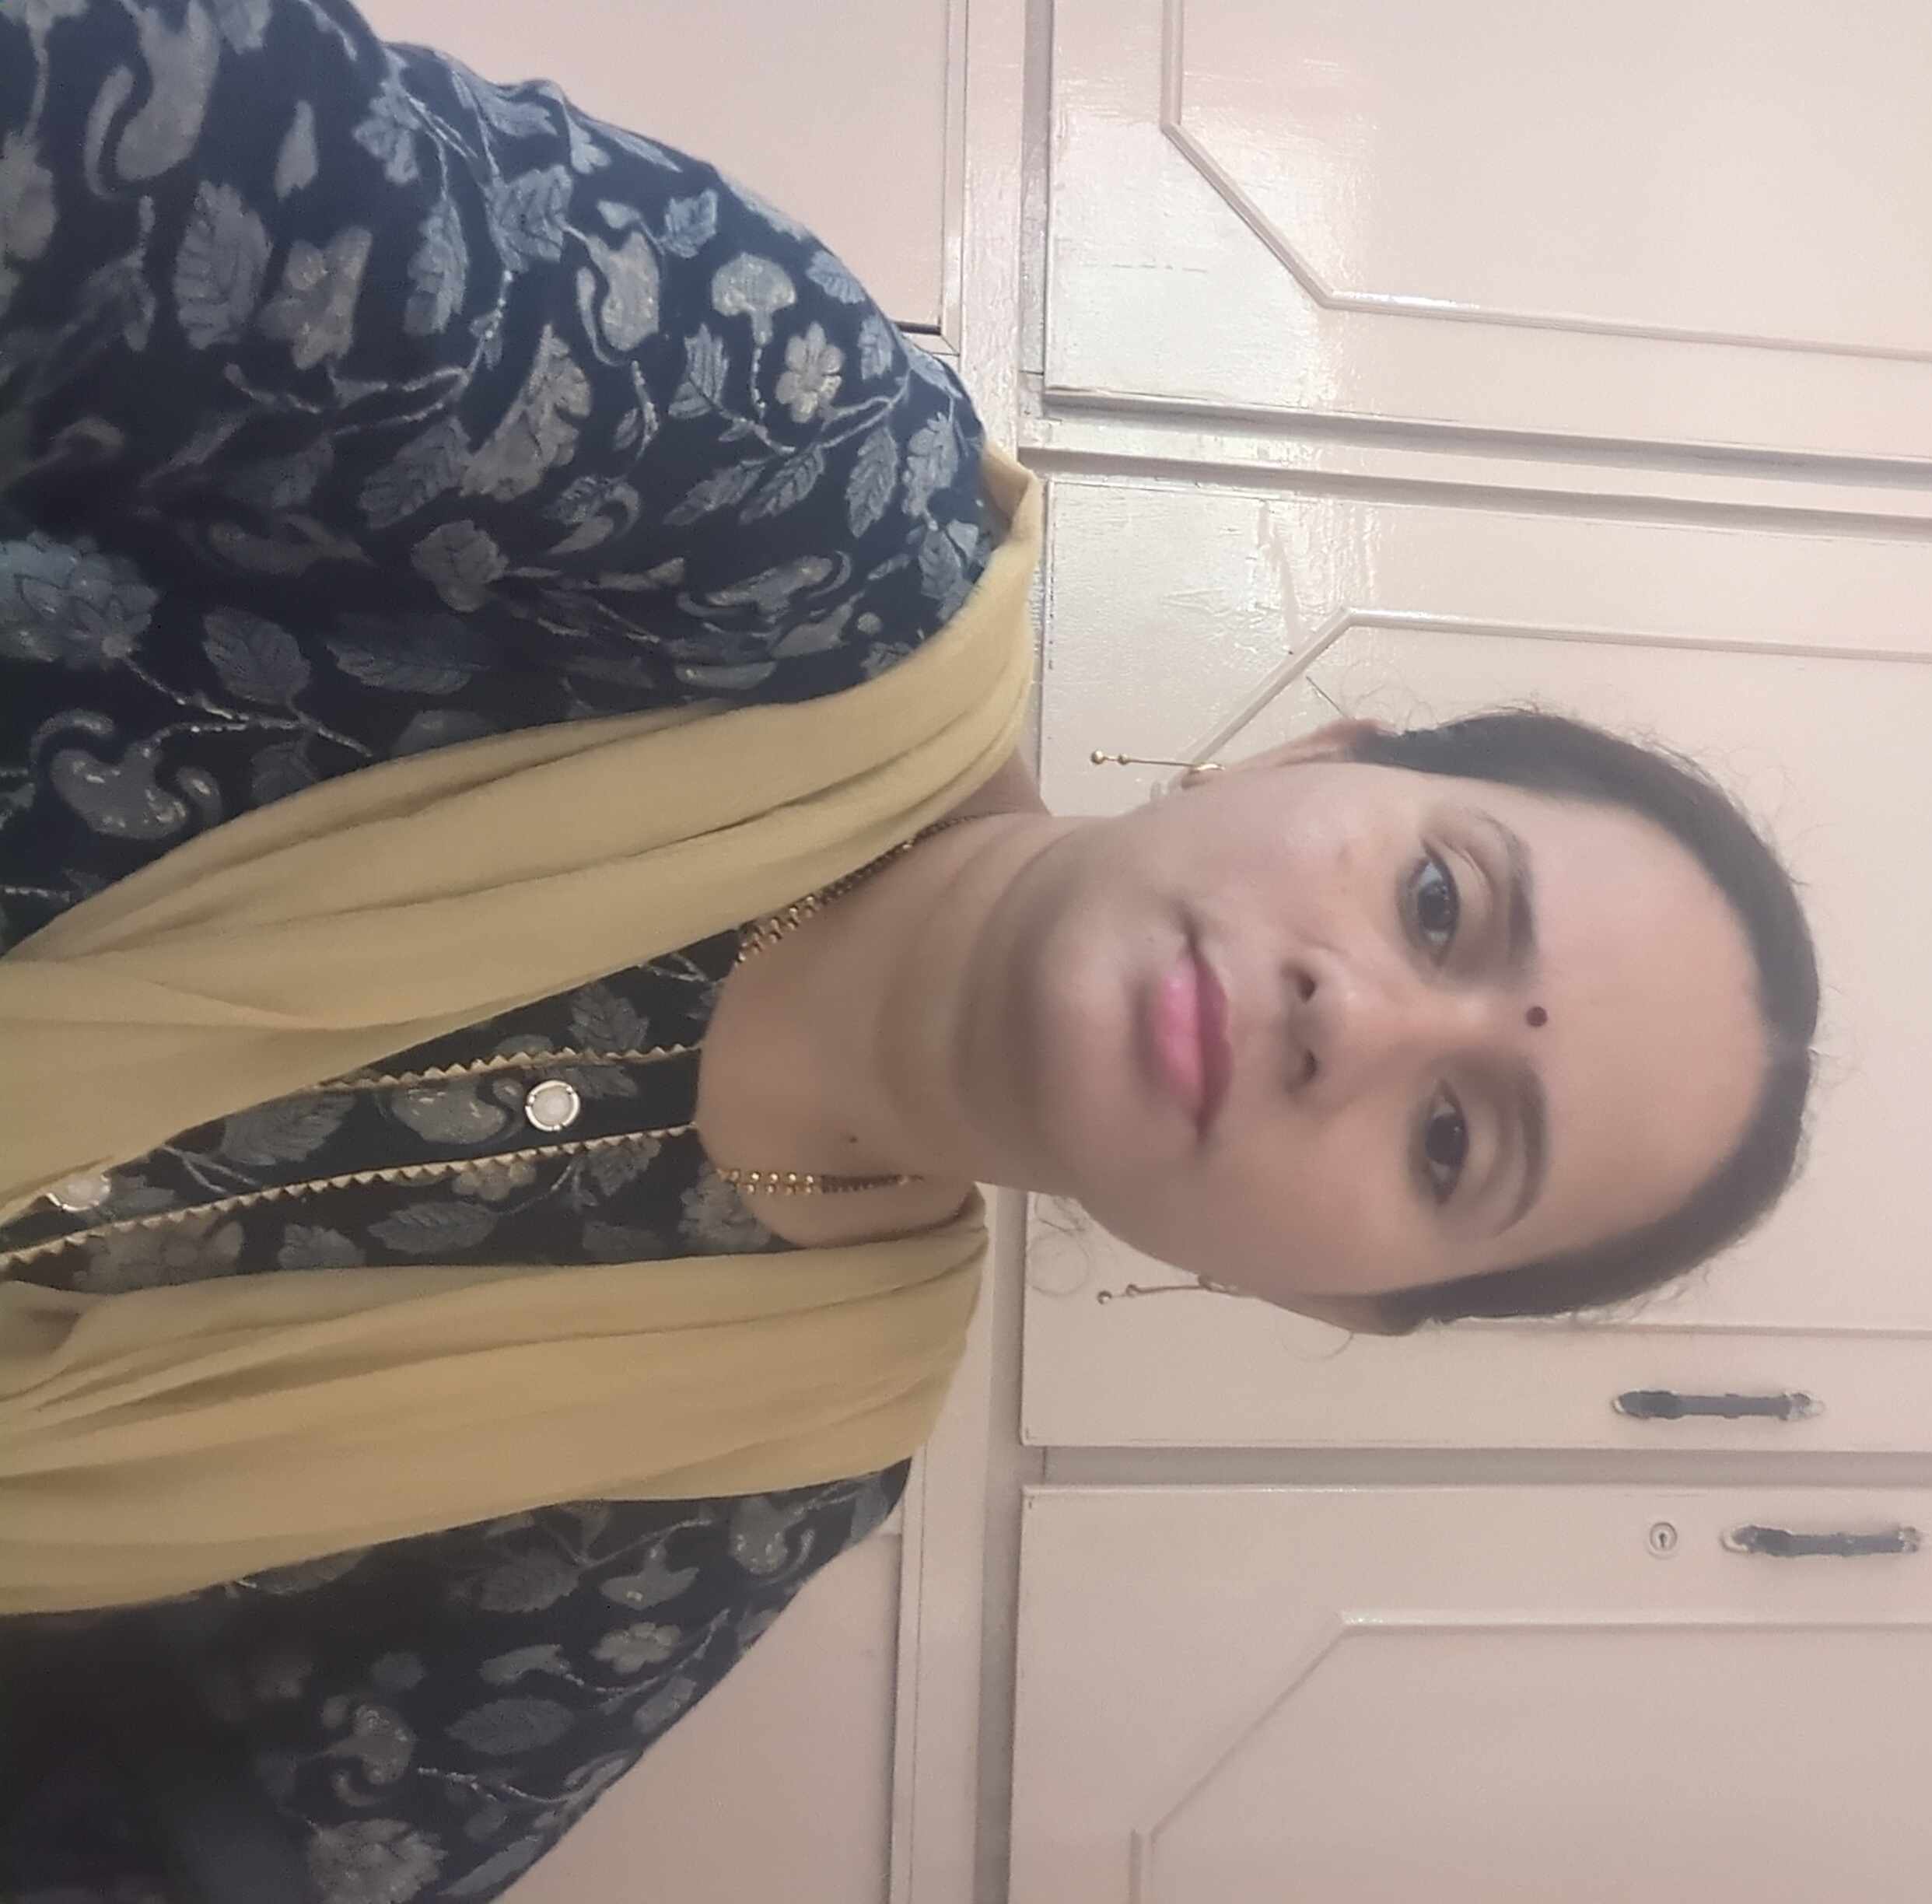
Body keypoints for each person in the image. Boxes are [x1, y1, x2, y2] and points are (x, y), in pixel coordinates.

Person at [0, 0, 1822, 1897]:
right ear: (1308, 755)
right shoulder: (809, 500)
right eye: (1438, 902)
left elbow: (217, 1855)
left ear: (1336, 1306)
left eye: (1451, 1142)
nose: (1351, 1018)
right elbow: (135, 144)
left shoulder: (766, 1464)